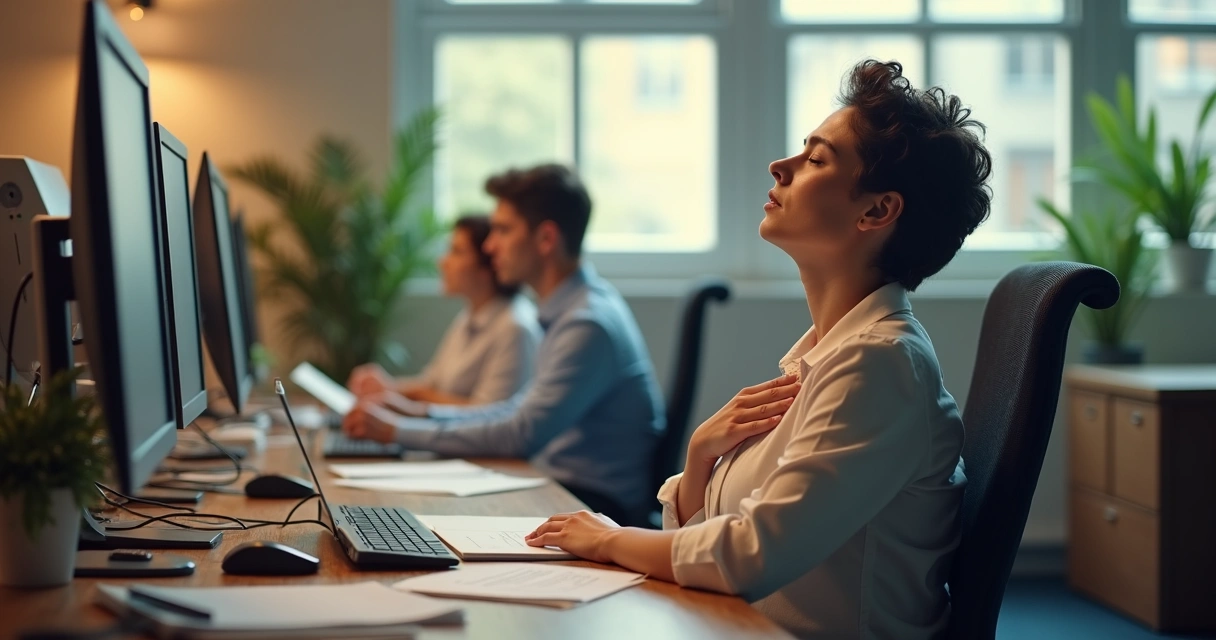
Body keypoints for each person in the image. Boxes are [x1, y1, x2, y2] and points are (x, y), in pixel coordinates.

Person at [522, 60, 992, 639]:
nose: (781, 165)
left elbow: (747, 558)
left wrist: (608, 538)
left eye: (817, 158)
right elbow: (712, 532)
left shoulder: (880, 364)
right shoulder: (825, 357)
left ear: (876, 211)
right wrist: (698, 459)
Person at [343, 164, 666, 525]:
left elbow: (520, 433)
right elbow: (514, 410)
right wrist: (415, 413)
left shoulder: (586, 324)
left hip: (593, 504)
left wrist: (397, 431)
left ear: (546, 239)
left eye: (503, 230)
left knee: (408, 519)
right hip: (557, 486)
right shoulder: (567, 310)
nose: (490, 245)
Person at [346, 215, 541, 406]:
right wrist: (386, 388)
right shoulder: (470, 316)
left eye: (456, 251)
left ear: (488, 266)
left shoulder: (514, 328)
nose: (442, 261)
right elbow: (433, 381)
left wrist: (411, 396)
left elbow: (487, 414)